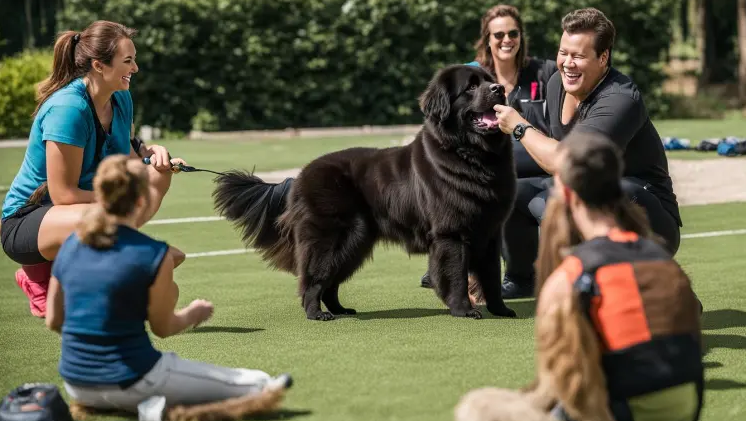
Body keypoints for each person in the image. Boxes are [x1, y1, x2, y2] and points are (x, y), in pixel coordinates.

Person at [453, 131, 703, 421]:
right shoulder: (665, 262)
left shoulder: (574, 276)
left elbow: (564, 381)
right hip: (685, 410)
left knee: (477, 408)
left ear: (566, 192)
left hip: (620, 412)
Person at [44, 155, 293, 414]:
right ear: (142, 201)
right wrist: (194, 313)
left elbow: (53, 320)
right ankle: (153, 406)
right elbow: (164, 328)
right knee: (255, 382)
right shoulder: (153, 254)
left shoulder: (71, 244)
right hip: (135, 379)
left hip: (76, 384)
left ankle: (140, 405)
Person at [492, 7, 682, 299]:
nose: (567, 63)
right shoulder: (557, 83)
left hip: (645, 213)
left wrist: (518, 126)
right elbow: (543, 149)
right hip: (585, 191)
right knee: (509, 190)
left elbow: (565, 160)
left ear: (603, 57)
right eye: (563, 52)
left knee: (570, 195)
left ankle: (663, 290)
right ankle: (521, 278)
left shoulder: (619, 99)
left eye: (578, 56)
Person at [1, 20, 183, 318]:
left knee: (156, 175)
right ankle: (39, 274)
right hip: (26, 223)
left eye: (133, 59)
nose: (135, 68)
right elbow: (63, 194)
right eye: (128, 61)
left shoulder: (120, 97)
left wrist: (152, 156)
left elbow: (124, 161)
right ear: (99, 65)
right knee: (108, 217)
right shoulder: (68, 110)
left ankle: (109, 264)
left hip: (77, 211)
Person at [420, 4, 558, 291]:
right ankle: (456, 267)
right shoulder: (469, 76)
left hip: (540, 170)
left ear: (521, 36)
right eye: (499, 35)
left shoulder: (546, 73)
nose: (506, 40)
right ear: (487, 39)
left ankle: (523, 274)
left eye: (513, 33)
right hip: (487, 171)